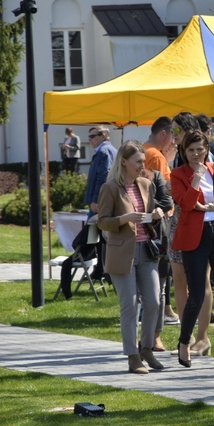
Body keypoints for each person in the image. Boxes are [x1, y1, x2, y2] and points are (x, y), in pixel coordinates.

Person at [96, 140, 165, 374]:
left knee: (154, 301)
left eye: (143, 162)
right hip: (121, 254)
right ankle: (132, 356)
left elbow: (149, 214)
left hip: (146, 250)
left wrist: (156, 214)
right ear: (124, 161)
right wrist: (125, 218)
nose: (142, 166)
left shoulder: (146, 184)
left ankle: (146, 348)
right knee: (130, 306)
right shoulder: (110, 188)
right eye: (138, 162)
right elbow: (102, 221)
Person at [171, 129, 214, 370]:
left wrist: (213, 206)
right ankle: (184, 342)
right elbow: (186, 205)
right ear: (183, 152)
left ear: (207, 148)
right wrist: (196, 178)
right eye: (191, 150)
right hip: (194, 236)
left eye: (200, 149)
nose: (196, 154)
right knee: (196, 294)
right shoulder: (178, 174)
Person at [142, 117, 180, 325]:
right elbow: (168, 187)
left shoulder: (145, 150)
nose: (174, 141)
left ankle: (164, 308)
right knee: (163, 268)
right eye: (172, 136)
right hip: (163, 218)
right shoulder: (155, 156)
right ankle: (164, 310)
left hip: (152, 218)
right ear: (163, 134)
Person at [84, 125, 117, 280]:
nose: (90, 139)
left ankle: (104, 272)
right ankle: (101, 270)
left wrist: (97, 201)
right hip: (102, 202)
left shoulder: (104, 152)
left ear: (104, 135)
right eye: (89, 136)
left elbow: (103, 178)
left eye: (93, 136)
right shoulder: (108, 151)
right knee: (100, 239)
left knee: (98, 239)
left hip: (99, 205)